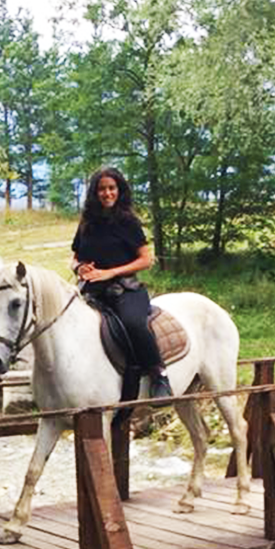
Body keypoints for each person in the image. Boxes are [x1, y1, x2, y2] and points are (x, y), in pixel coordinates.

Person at [70, 167, 172, 399]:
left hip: (125, 290)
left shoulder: (128, 222)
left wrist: (110, 273)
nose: (107, 193)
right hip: (91, 292)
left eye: (111, 188)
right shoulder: (87, 222)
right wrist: (79, 267)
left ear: (119, 190)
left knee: (133, 323)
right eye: (102, 189)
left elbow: (146, 259)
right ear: (94, 193)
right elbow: (74, 256)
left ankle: (159, 375)